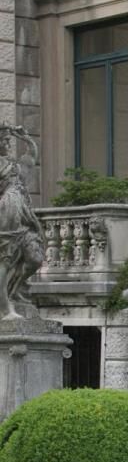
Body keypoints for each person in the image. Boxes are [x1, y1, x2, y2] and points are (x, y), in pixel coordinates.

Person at [0, 127, 44, 320]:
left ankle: (13, 289)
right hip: (7, 213)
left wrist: (27, 139)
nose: (8, 144)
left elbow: (31, 157)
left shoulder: (13, 165)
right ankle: (5, 310)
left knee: (35, 259)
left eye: (8, 141)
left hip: (24, 215)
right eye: (4, 141)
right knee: (4, 261)